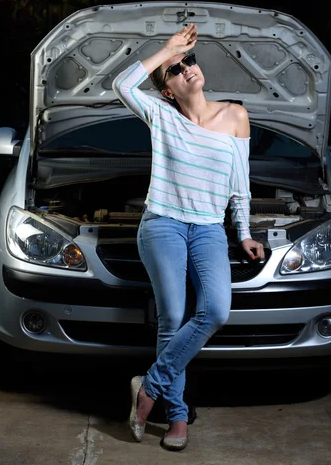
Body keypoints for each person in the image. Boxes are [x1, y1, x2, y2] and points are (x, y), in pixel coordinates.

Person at [112, 23, 264, 451]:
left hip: (209, 228)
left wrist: (246, 232)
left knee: (215, 309)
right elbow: (120, 83)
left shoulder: (235, 115)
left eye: (190, 62)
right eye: (175, 71)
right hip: (162, 223)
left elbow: (241, 183)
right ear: (166, 92)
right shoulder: (160, 115)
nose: (187, 69)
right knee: (172, 317)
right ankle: (176, 419)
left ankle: (149, 387)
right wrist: (168, 49)